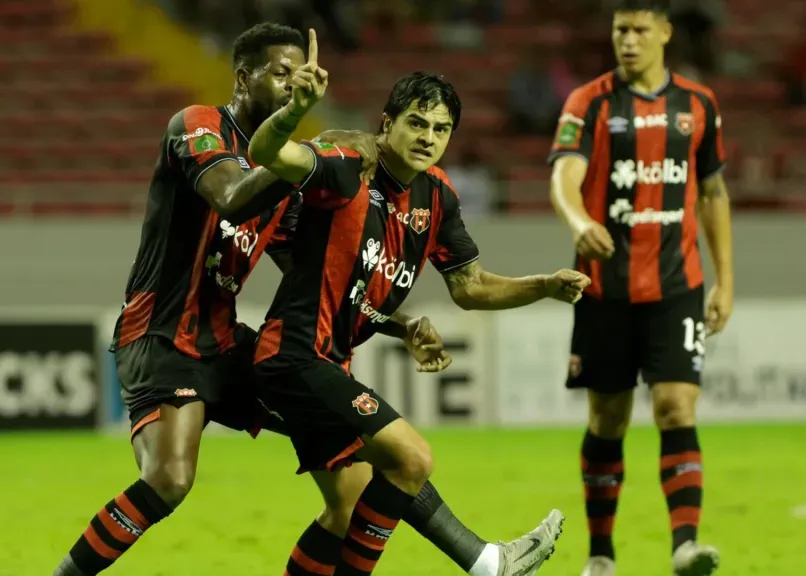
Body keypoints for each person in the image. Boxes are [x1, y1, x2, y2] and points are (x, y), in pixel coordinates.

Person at [51, 22, 561, 576]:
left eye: (301, 73)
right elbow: (229, 199)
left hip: (228, 344)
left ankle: (482, 559)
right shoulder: (199, 125)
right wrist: (321, 143)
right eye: (281, 73)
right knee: (170, 481)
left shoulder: (297, 179)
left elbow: (321, 271)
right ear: (243, 79)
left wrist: (402, 322)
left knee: (352, 492)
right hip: (162, 333)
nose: (294, 82)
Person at [245, 37, 593, 575]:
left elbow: (470, 287)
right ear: (387, 123)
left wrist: (542, 285)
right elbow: (266, 154)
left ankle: (485, 563)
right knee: (412, 459)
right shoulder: (349, 166)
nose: (427, 137)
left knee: (345, 507)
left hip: (328, 360)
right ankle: (487, 565)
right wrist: (298, 109)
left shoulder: (438, 197)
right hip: (293, 355)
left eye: (440, 129)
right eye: (416, 123)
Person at [547, 1, 734, 575]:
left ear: (665, 33)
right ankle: (601, 555)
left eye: (639, 30)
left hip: (677, 285)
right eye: (619, 30)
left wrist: (726, 280)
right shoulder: (590, 101)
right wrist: (580, 223)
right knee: (608, 420)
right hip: (605, 288)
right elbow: (563, 175)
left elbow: (712, 193)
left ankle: (685, 545)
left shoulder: (698, 104)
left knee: (677, 406)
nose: (627, 40)